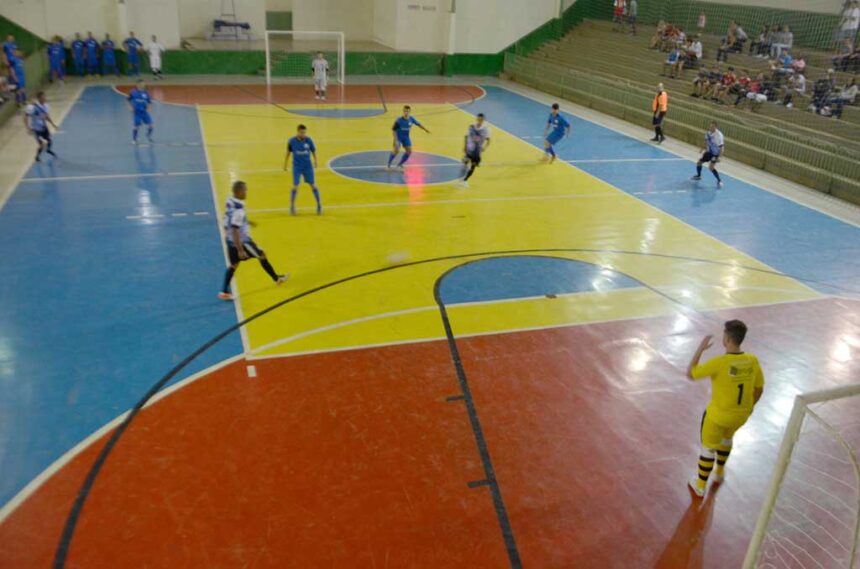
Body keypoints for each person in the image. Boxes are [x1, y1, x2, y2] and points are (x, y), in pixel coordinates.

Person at [686, 320, 764, 497]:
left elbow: (690, 373)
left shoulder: (719, 363)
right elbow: (759, 389)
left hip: (718, 416)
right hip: (741, 416)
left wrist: (700, 349)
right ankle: (719, 473)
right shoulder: (752, 360)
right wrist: (750, 407)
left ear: (726, 340)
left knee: (708, 448)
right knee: (727, 439)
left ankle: (700, 485)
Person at [219, 180, 289, 301]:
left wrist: (247, 222)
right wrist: (240, 250)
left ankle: (224, 292)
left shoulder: (229, 200)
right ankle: (277, 279)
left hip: (229, 239)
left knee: (234, 265)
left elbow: (228, 219)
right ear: (239, 192)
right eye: (245, 190)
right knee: (262, 255)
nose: (246, 192)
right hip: (242, 241)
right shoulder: (239, 210)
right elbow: (235, 229)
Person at [285, 124, 322, 215]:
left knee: (313, 185)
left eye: (304, 133)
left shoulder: (309, 140)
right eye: (302, 133)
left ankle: (319, 205)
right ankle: (292, 206)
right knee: (295, 185)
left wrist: (315, 161)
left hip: (307, 166)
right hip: (297, 167)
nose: (303, 134)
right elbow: (288, 152)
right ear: (297, 132)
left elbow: (313, 151)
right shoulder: (291, 141)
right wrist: (285, 164)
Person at [388, 105, 430, 169]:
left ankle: (400, 164)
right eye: (405, 111)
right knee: (396, 150)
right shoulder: (399, 120)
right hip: (398, 137)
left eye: (407, 111)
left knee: (409, 151)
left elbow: (418, 124)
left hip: (406, 137)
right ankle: (389, 164)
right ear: (403, 111)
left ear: (409, 112)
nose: (406, 112)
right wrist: (396, 140)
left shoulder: (411, 119)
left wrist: (425, 129)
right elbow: (393, 130)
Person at [459, 113, 491, 188]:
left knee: (473, 167)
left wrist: (485, 147)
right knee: (465, 164)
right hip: (469, 150)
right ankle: (461, 179)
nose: (480, 120)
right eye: (479, 119)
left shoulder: (486, 129)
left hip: (477, 152)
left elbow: (488, 140)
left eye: (481, 119)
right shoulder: (471, 126)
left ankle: (465, 180)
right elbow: (466, 136)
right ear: (477, 119)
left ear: (483, 120)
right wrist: (465, 146)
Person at [24, 91, 58, 162]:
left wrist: (53, 124)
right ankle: (37, 157)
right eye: (42, 97)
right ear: (38, 98)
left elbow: (46, 116)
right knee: (41, 144)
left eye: (44, 97)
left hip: (44, 127)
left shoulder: (46, 106)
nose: (44, 98)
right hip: (36, 129)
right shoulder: (33, 107)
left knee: (49, 140)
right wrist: (28, 128)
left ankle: (48, 150)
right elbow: (26, 117)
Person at [691, 121, 724, 187]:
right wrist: (702, 148)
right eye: (710, 126)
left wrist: (719, 157)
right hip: (709, 152)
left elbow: (722, 147)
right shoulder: (708, 133)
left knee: (711, 168)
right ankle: (699, 176)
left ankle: (719, 180)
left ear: (716, 127)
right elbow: (706, 142)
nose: (711, 128)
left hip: (715, 154)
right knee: (699, 163)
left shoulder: (719, 136)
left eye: (712, 127)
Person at [128, 79, 154, 144]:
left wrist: (149, 108)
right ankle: (134, 140)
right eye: (141, 84)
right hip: (137, 112)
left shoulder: (146, 92)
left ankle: (148, 136)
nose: (142, 85)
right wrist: (130, 107)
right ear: (137, 84)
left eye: (143, 84)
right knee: (136, 126)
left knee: (151, 125)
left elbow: (149, 102)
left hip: (144, 112)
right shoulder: (133, 92)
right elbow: (128, 100)